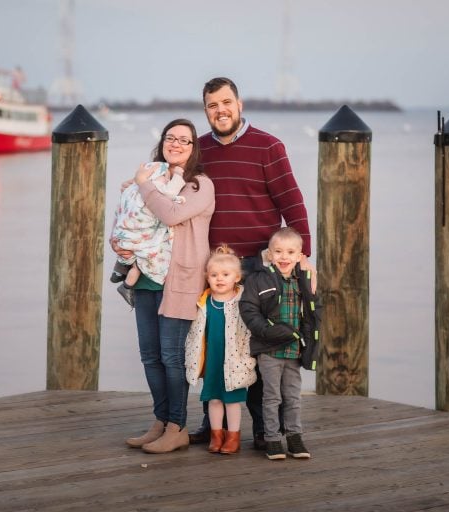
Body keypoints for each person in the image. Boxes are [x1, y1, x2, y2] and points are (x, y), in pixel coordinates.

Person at [190, 76, 313, 450]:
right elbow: (173, 184)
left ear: (239, 105)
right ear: (206, 110)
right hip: (216, 266)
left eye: (226, 102)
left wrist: (303, 257)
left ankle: (264, 429)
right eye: (212, 105)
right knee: (215, 344)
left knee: (257, 346)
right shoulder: (200, 149)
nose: (220, 110)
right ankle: (211, 424)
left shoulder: (268, 146)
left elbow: (292, 204)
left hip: (259, 265)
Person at [111, 118, 215, 454]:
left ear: (194, 147)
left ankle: (177, 426)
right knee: (150, 356)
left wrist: (143, 186)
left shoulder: (199, 185)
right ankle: (159, 420)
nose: (176, 144)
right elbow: (134, 215)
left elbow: (170, 214)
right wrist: (122, 244)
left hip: (180, 280)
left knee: (173, 358)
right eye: (171, 138)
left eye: (184, 140)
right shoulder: (153, 177)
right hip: (146, 277)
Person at [239, 227, 322, 460]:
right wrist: (266, 331)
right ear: (270, 254)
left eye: (290, 252)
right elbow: (248, 309)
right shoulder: (259, 278)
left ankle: (295, 437)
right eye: (278, 251)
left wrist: (309, 341)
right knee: (272, 396)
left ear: (299, 255)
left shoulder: (304, 280)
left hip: (295, 350)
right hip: (269, 350)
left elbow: (314, 311)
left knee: (293, 397)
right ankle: (272, 439)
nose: (284, 257)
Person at [184, 245, 256, 454]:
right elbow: (195, 333)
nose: (219, 279)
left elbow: (249, 333)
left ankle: (233, 437)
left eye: (225, 274)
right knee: (214, 399)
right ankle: (216, 435)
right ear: (207, 277)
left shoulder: (242, 301)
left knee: (232, 401)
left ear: (237, 277)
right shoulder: (204, 301)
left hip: (234, 361)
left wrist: (248, 359)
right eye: (214, 275)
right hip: (213, 360)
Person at [109, 161, 186, 308]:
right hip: (138, 237)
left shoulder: (132, 190)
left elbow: (120, 210)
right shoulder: (154, 187)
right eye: (165, 176)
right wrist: (178, 176)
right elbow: (171, 193)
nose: (167, 180)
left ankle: (119, 269)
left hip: (124, 235)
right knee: (140, 263)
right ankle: (126, 287)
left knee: (130, 252)